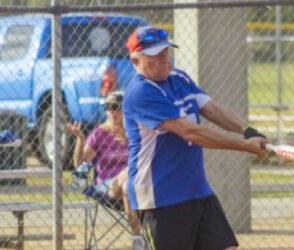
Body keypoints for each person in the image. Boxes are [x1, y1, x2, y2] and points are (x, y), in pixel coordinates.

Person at [123, 26, 269, 250]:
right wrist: (244, 146)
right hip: (161, 197)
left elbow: (212, 110)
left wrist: (247, 131)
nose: (164, 60)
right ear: (135, 61)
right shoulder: (141, 92)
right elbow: (191, 132)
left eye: (165, 53)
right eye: (155, 56)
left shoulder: (179, 78)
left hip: (197, 190)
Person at [66, 91, 146, 250]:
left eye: (115, 107)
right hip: (107, 186)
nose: (110, 111)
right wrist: (80, 139)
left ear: (126, 109)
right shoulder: (100, 134)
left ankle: (138, 239)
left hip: (132, 186)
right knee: (129, 175)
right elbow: (80, 166)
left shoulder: (136, 132)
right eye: (107, 107)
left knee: (127, 186)